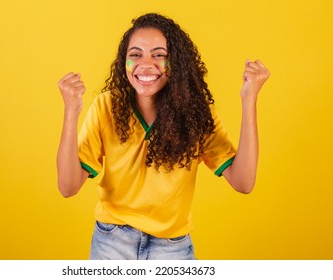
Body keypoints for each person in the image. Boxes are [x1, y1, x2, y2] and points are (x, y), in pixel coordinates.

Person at [56, 13, 269, 260]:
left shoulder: (197, 114)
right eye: (135, 55)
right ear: (123, 62)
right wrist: (71, 111)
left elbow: (243, 182)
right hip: (112, 243)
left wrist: (249, 98)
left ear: (176, 62)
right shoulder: (106, 107)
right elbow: (68, 186)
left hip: (172, 248)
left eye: (159, 55)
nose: (146, 64)